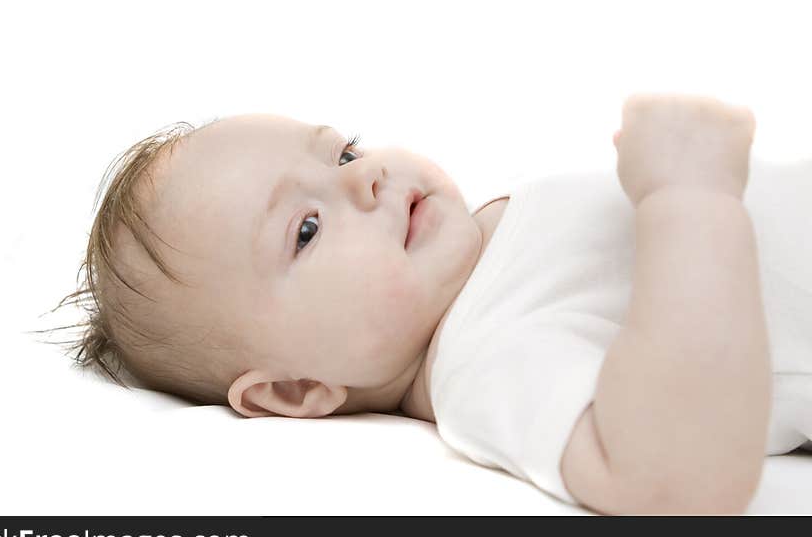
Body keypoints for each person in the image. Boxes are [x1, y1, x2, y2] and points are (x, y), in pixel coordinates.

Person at [55, 94, 812, 514]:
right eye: (307, 230)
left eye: (342, 151)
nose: (367, 178)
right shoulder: (484, 360)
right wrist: (691, 195)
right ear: (293, 390)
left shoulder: (491, 249)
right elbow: (674, 480)